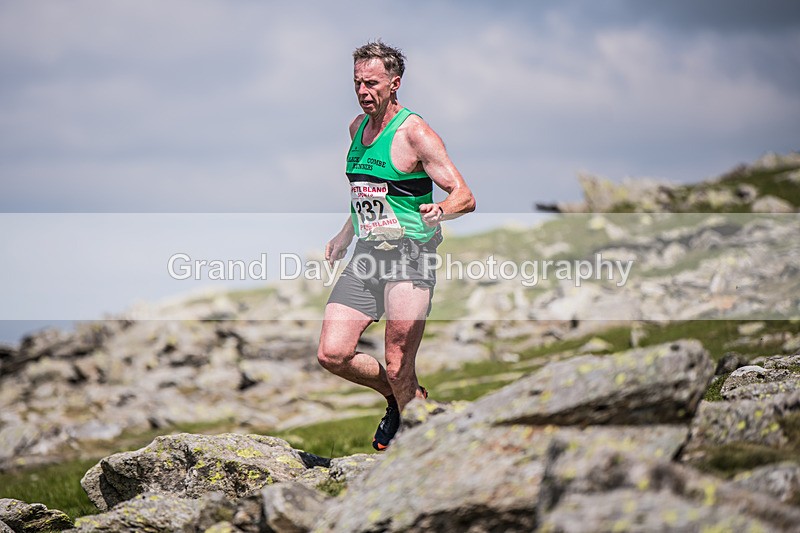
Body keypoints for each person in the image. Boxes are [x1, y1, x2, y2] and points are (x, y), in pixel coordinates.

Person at [317, 41, 475, 451]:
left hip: (410, 256)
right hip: (368, 256)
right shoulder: (356, 128)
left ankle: (418, 448)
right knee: (332, 354)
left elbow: (464, 195)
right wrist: (345, 233)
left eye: (372, 83)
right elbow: (367, 195)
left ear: (395, 83)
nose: (363, 91)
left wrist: (442, 209)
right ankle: (402, 397)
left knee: (398, 361)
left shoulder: (415, 133)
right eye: (357, 83)